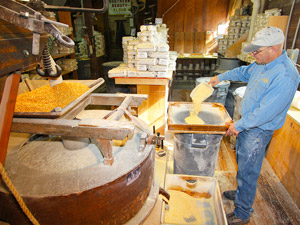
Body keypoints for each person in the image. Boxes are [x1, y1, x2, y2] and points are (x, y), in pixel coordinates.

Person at [209, 26, 299, 225]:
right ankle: (242, 193)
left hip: (258, 130)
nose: (253, 54)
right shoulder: (262, 62)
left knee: (249, 170)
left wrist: (240, 125)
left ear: (274, 49)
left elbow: (267, 111)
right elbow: (243, 71)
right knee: (244, 164)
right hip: (249, 124)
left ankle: (243, 212)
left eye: (257, 51)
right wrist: (220, 77)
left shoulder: (285, 75)